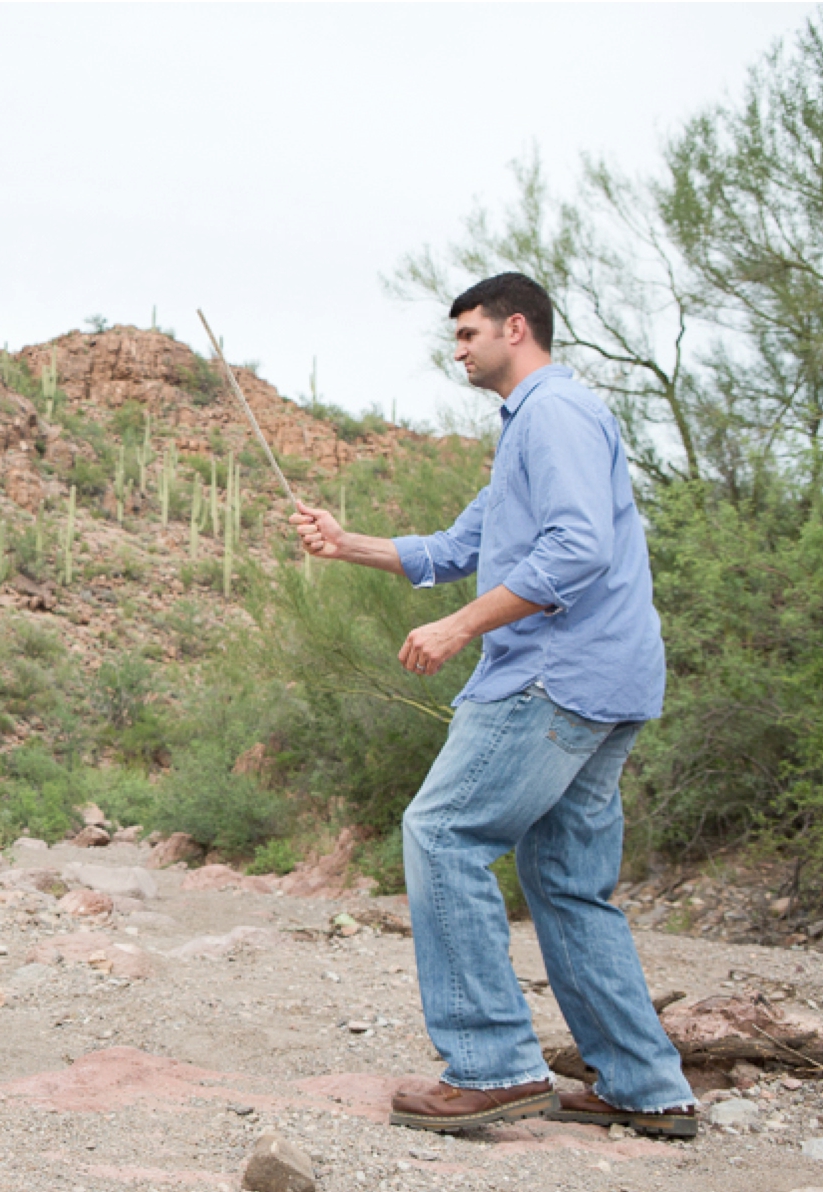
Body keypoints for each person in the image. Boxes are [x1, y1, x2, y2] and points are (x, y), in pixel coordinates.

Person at [290, 272, 698, 1138]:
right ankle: (645, 1086)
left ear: (518, 327)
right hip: (609, 682)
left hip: (553, 676)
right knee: (567, 884)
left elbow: (577, 549)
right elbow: (456, 547)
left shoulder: (552, 414)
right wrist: (345, 542)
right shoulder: (536, 427)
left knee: (443, 833)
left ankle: (494, 1066)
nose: (459, 349)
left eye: (470, 332)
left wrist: (461, 627)